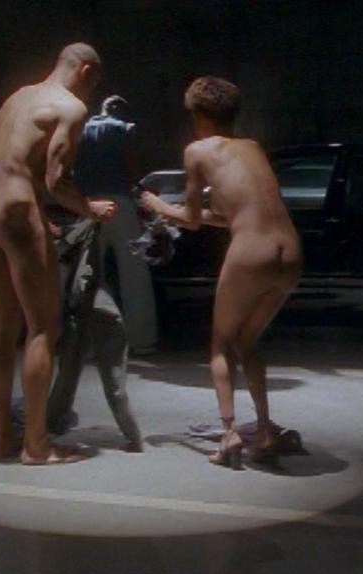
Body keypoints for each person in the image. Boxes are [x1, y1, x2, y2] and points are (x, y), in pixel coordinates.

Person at [139, 76, 303, 470]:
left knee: (220, 345)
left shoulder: (197, 151)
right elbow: (230, 216)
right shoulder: (253, 147)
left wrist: (157, 205)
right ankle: (264, 429)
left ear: (198, 115)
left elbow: (193, 220)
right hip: (290, 251)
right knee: (247, 341)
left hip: (251, 251)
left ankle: (229, 434)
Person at [0, 43, 117, 464]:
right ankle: (36, 444)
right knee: (43, 329)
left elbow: (13, 162)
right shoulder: (70, 107)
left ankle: (4, 437)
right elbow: (56, 181)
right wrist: (90, 208)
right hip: (17, 206)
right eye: (93, 84)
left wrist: (40, 220)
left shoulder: (17, 97)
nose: (90, 93)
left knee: (5, 326)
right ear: (85, 71)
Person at [46, 217, 144, 452]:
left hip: (89, 304)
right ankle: (132, 436)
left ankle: (50, 426)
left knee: (74, 370)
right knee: (95, 374)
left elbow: (69, 243)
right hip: (90, 305)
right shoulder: (89, 225)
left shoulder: (91, 224)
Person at [74, 96, 159, 353]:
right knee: (134, 274)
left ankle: (86, 341)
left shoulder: (81, 130)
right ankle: (141, 339)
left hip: (88, 204)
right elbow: (129, 170)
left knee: (87, 274)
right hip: (120, 203)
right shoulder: (125, 129)